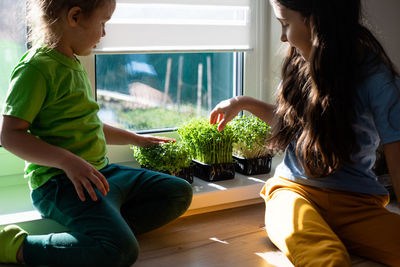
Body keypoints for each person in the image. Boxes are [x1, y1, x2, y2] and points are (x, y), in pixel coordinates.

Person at [0, 0, 192, 266]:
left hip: (102, 173)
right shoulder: (36, 68)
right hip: (61, 183)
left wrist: (136, 139)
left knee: (178, 192)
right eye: (103, 23)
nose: (104, 34)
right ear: (75, 17)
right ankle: (16, 246)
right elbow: (10, 135)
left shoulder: (72, 62)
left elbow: (88, 125)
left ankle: (103, 231)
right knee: (121, 252)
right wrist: (68, 162)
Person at [210, 0, 400, 266]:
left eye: (286, 24)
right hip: (293, 192)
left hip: (357, 204)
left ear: (316, 21)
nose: (282, 36)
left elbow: (396, 149)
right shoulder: (300, 63)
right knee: (325, 258)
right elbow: (291, 126)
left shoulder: (375, 77)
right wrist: (243, 102)